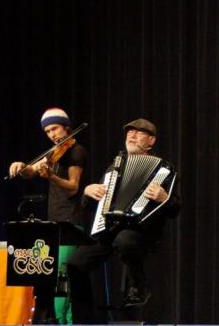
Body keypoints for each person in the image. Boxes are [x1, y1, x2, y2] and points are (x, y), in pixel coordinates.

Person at [67, 118, 180, 323]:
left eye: (138, 133)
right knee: (75, 264)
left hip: (142, 230)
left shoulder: (163, 169)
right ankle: (84, 320)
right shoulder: (115, 167)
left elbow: (175, 209)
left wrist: (165, 198)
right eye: (129, 132)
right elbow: (94, 204)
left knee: (125, 241)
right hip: (109, 229)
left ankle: (139, 285)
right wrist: (87, 192)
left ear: (151, 140)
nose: (132, 135)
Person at [8, 107, 88, 323]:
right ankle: (54, 320)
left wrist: (52, 177)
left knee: (62, 276)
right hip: (54, 223)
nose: (52, 134)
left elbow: (73, 187)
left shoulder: (76, 151)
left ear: (66, 127)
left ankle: (65, 321)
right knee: (50, 277)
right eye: (48, 132)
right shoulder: (53, 153)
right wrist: (21, 166)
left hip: (70, 222)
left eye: (55, 129)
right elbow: (30, 172)